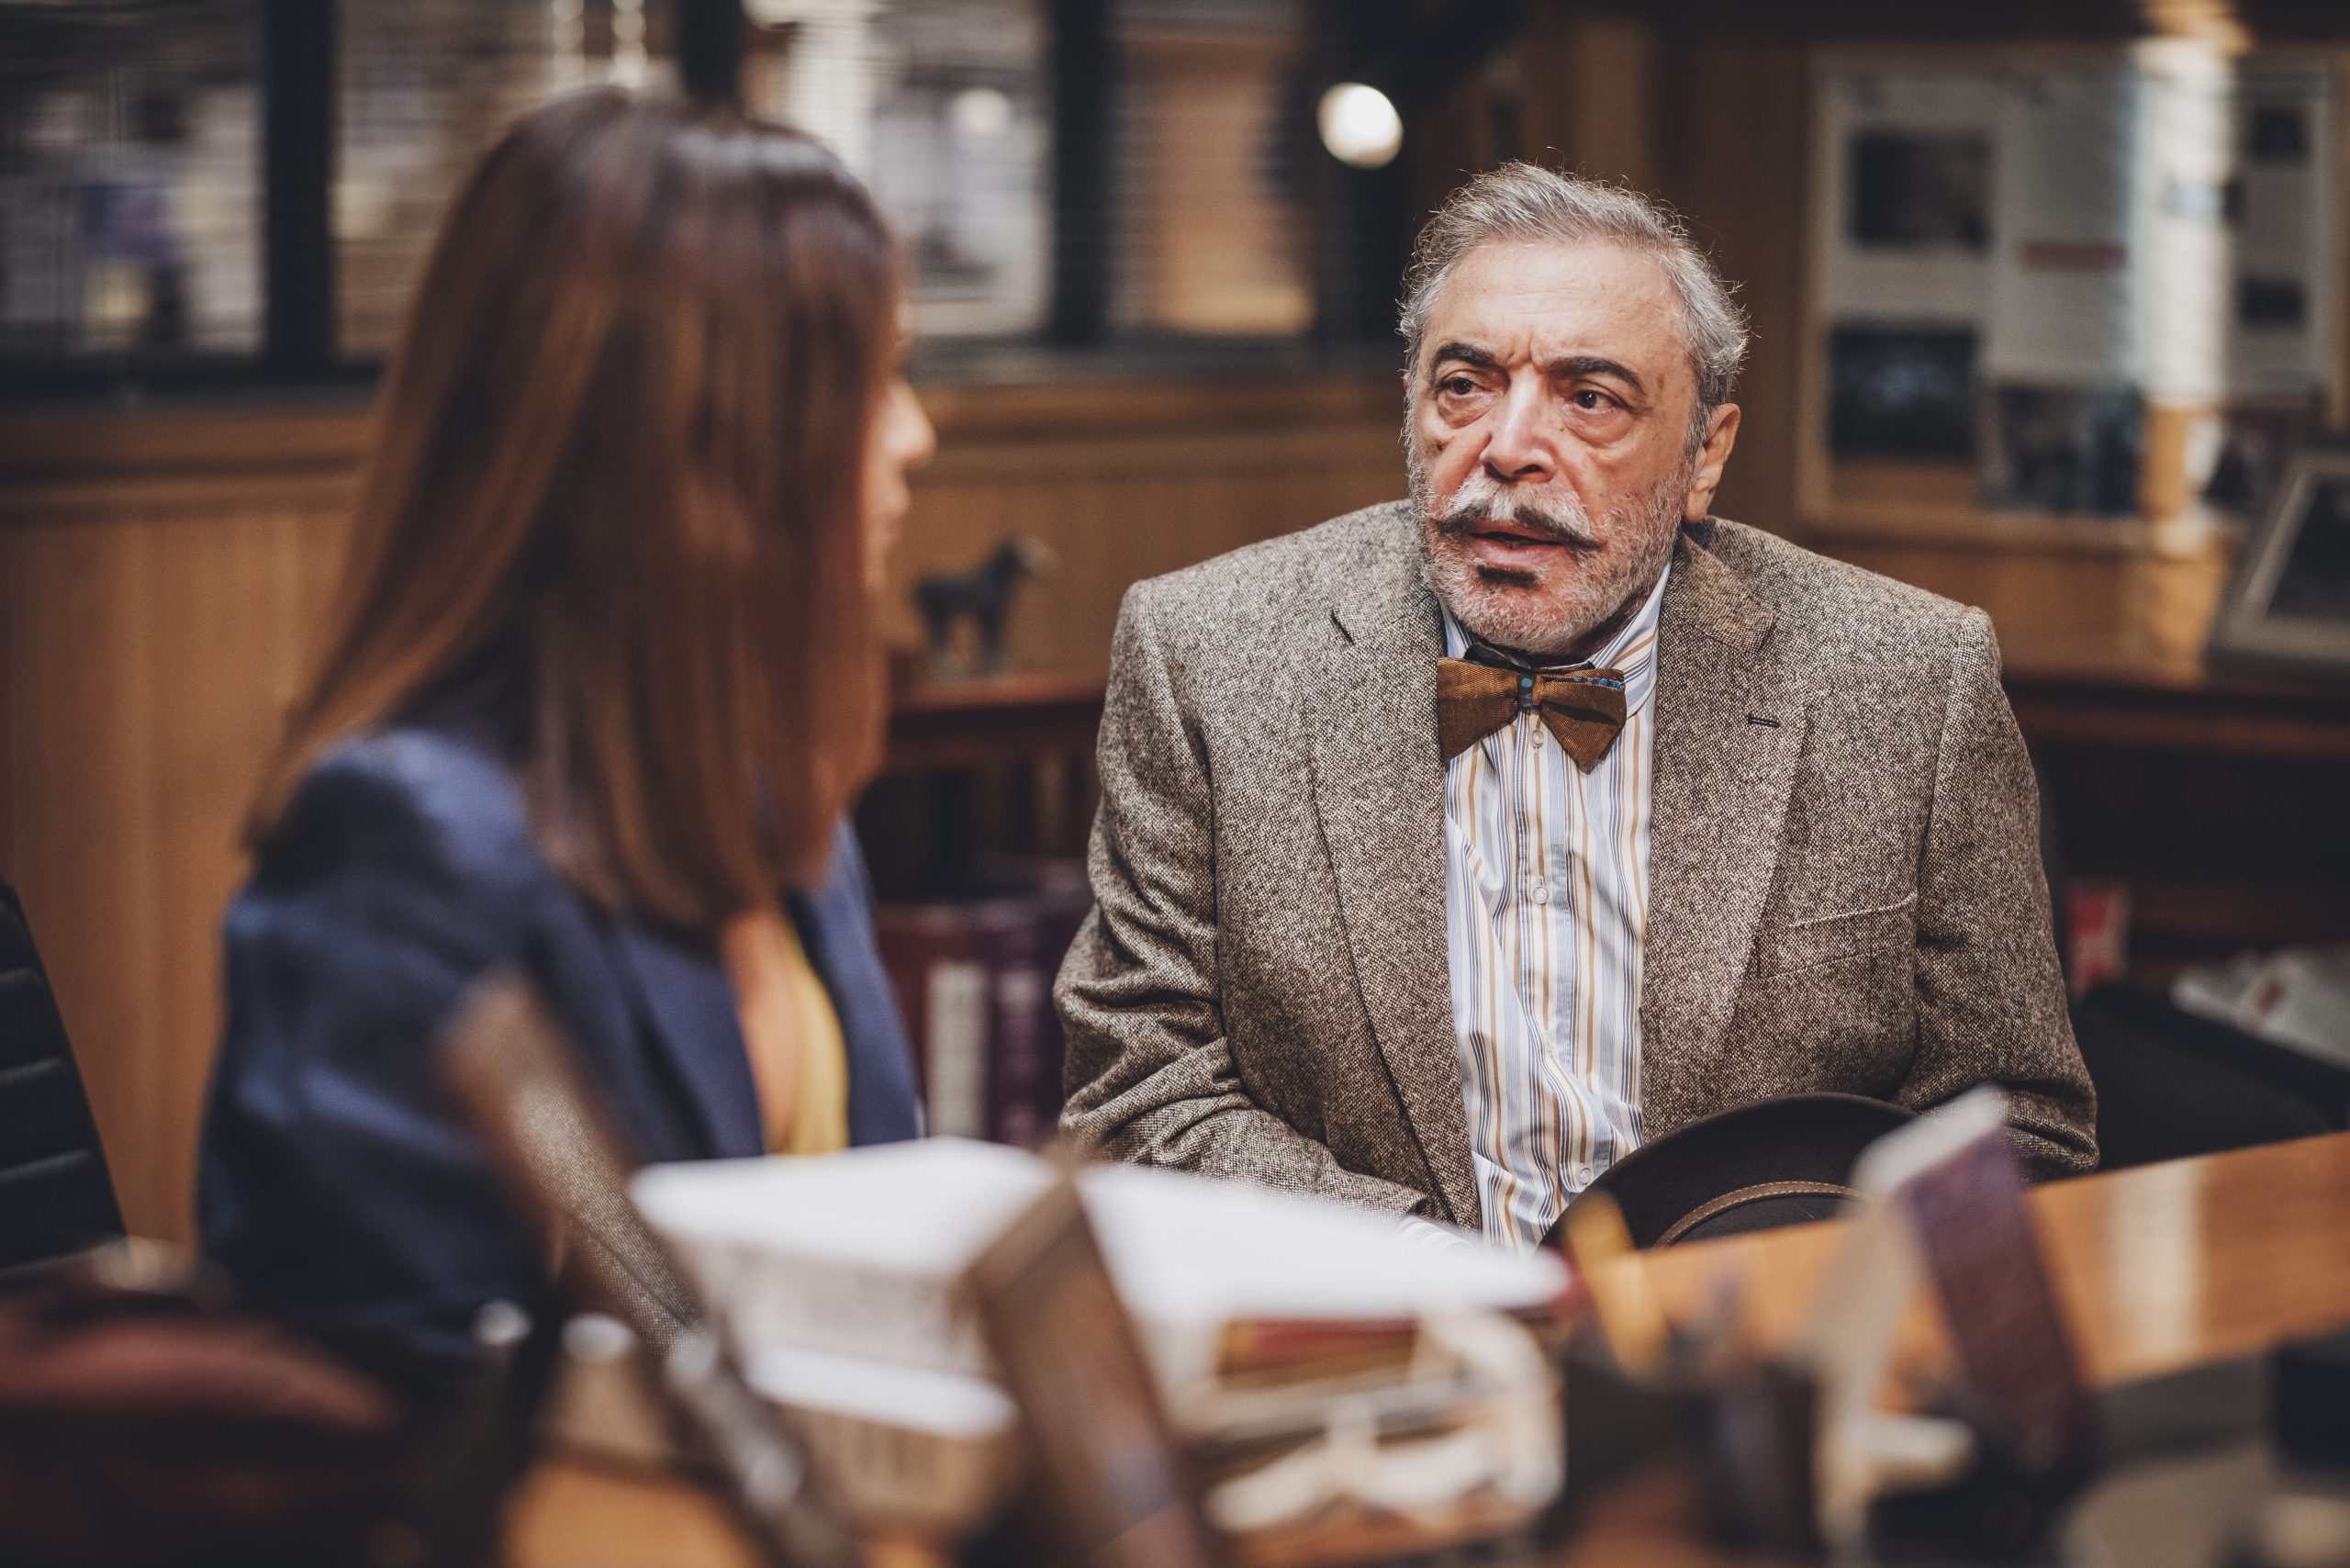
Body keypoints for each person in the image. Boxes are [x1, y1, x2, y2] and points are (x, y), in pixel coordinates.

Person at [1057, 163, 2095, 1249]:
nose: (1507, 447)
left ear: (1705, 455)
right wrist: (1429, 1272)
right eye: (1464, 386)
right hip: (1374, 1329)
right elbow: (1136, 1092)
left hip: (1753, 1335)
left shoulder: (1910, 681)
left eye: (1589, 398)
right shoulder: (1205, 657)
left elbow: (2018, 1128)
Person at [199, 89, 935, 1374]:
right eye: (869, 384)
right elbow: (400, 1418)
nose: (918, 434)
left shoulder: (782, 806)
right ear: (699, 452)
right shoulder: (412, 848)